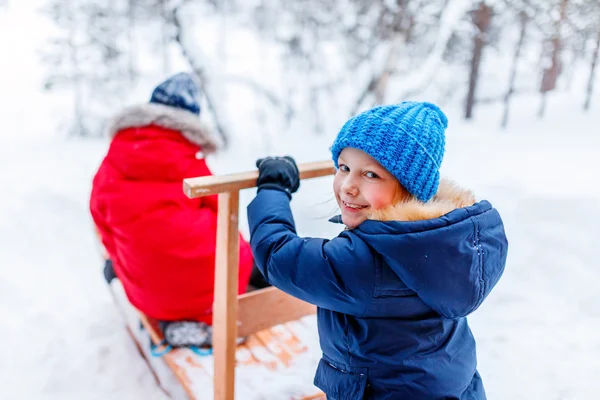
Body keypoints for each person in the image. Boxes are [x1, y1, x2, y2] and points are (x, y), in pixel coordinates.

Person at [247, 101, 508, 399]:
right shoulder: (443, 240)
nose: (348, 185)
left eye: (370, 175)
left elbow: (277, 255)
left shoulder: (367, 264)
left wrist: (273, 188)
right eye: (344, 167)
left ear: (410, 189)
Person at [90, 72, 268, 348]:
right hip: (211, 285)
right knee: (241, 252)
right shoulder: (190, 159)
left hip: (147, 294)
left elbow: (101, 220)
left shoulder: (114, 157)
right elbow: (225, 217)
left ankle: (172, 319)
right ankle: (214, 316)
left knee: (134, 259)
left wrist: (124, 262)